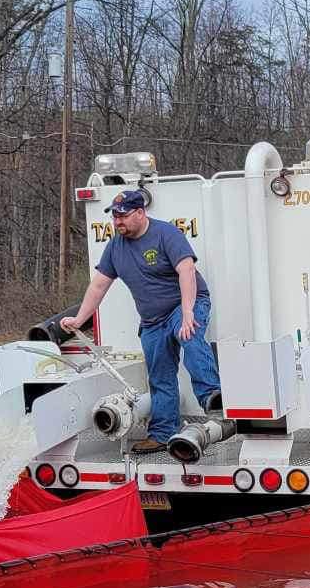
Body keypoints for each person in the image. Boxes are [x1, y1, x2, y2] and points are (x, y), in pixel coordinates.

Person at [58, 188, 220, 453]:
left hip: (185, 304)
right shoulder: (115, 247)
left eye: (123, 216)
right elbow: (99, 285)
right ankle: (163, 432)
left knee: (189, 336)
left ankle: (212, 396)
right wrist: (79, 319)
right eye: (114, 217)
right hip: (153, 319)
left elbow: (186, 270)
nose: (117, 222)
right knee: (159, 374)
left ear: (140, 213)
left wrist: (189, 312)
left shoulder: (166, 234)